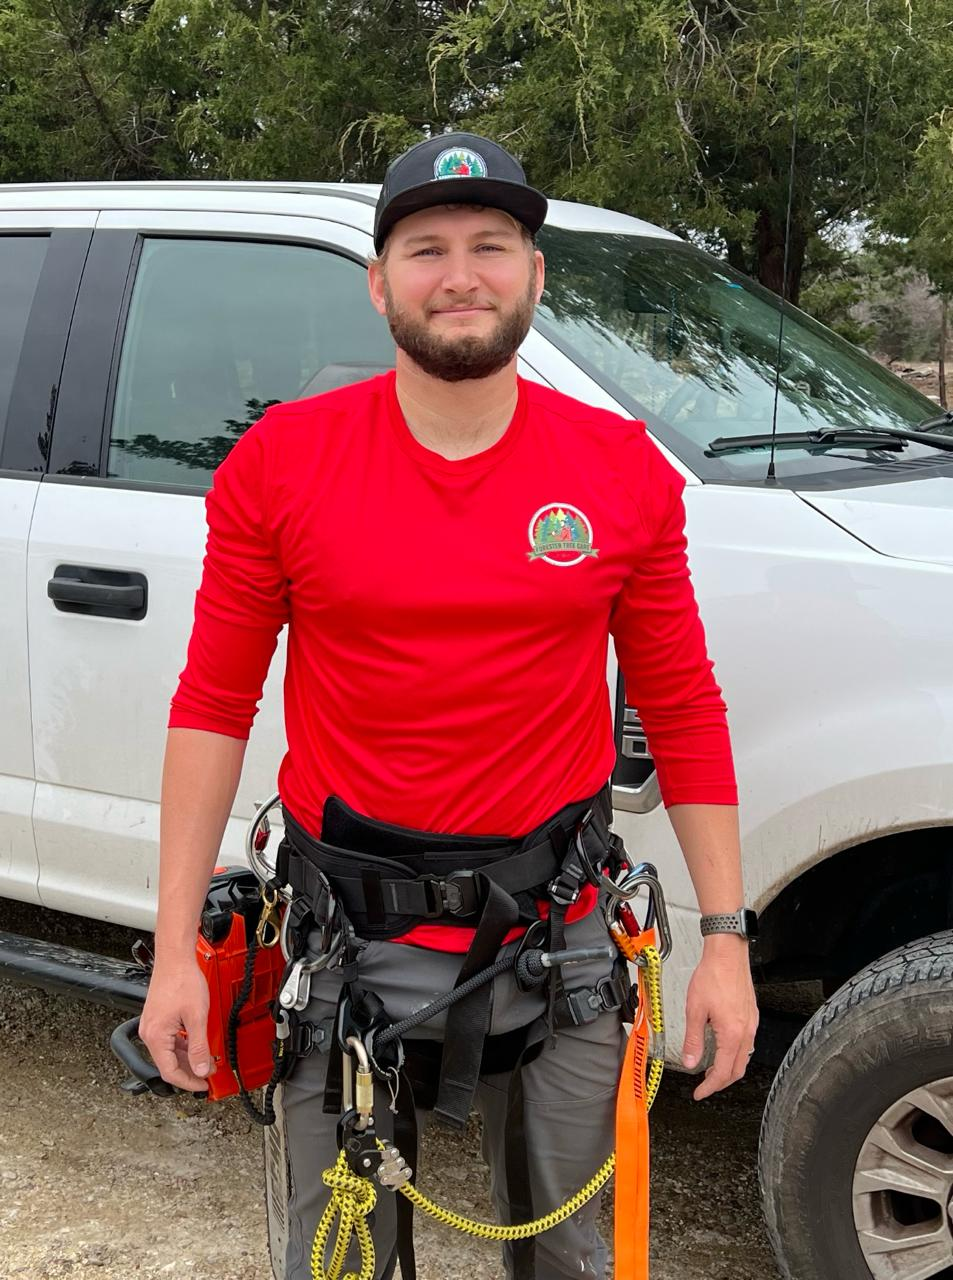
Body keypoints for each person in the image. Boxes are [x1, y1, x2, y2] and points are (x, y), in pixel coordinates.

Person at [140, 131, 759, 1280]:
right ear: (378, 283)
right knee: (338, 1262)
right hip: (346, 938)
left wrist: (724, 940)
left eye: (490, 244)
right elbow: (212, 703)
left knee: (570, 1256)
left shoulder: (620, 470)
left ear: (533, 274)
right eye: (425, 247)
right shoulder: (282, 462)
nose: (459, 273)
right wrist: (176, 945)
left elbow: (681, 703)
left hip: (556, 930)